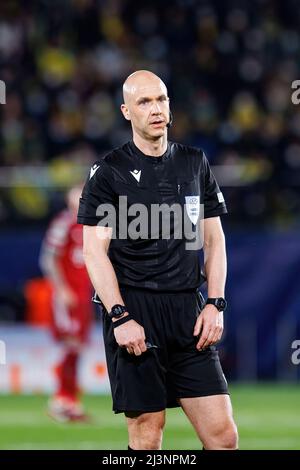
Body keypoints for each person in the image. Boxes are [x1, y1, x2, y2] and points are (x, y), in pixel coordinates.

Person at [77, 70, 238, 449]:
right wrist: (120, 316)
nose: (155, 109)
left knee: (224, 437)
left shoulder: (195, 162)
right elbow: (93, 252)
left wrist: (215, 303)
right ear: (126, 111)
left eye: (161, 99)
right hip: (136, 311)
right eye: (144, 102)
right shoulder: (108, 172)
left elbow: (214, 240)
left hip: (189, 314)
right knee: (148, 437)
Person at [40, 185, 93, 422]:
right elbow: (48, 258)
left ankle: (69, 400)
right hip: (68, 295)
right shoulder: (64, 222)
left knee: (78, 346)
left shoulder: (92, 223)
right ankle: (61, 399)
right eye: (77, 194)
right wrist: (61, 289)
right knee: (70, 344)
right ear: (68, 198)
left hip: (84, 294)